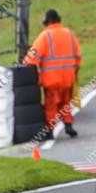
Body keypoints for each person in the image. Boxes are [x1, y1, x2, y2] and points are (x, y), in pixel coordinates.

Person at [23, 9, 82, 140]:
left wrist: (23, 63)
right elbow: (78, 58)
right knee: (65, 103)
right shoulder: (70, 34)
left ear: (47, 21)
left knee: (51, 106)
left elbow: (32, 58)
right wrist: (73, 72)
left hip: (51, 79)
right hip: (67, 78)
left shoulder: (45, 36)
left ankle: (49, 131)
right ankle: (68, 125)